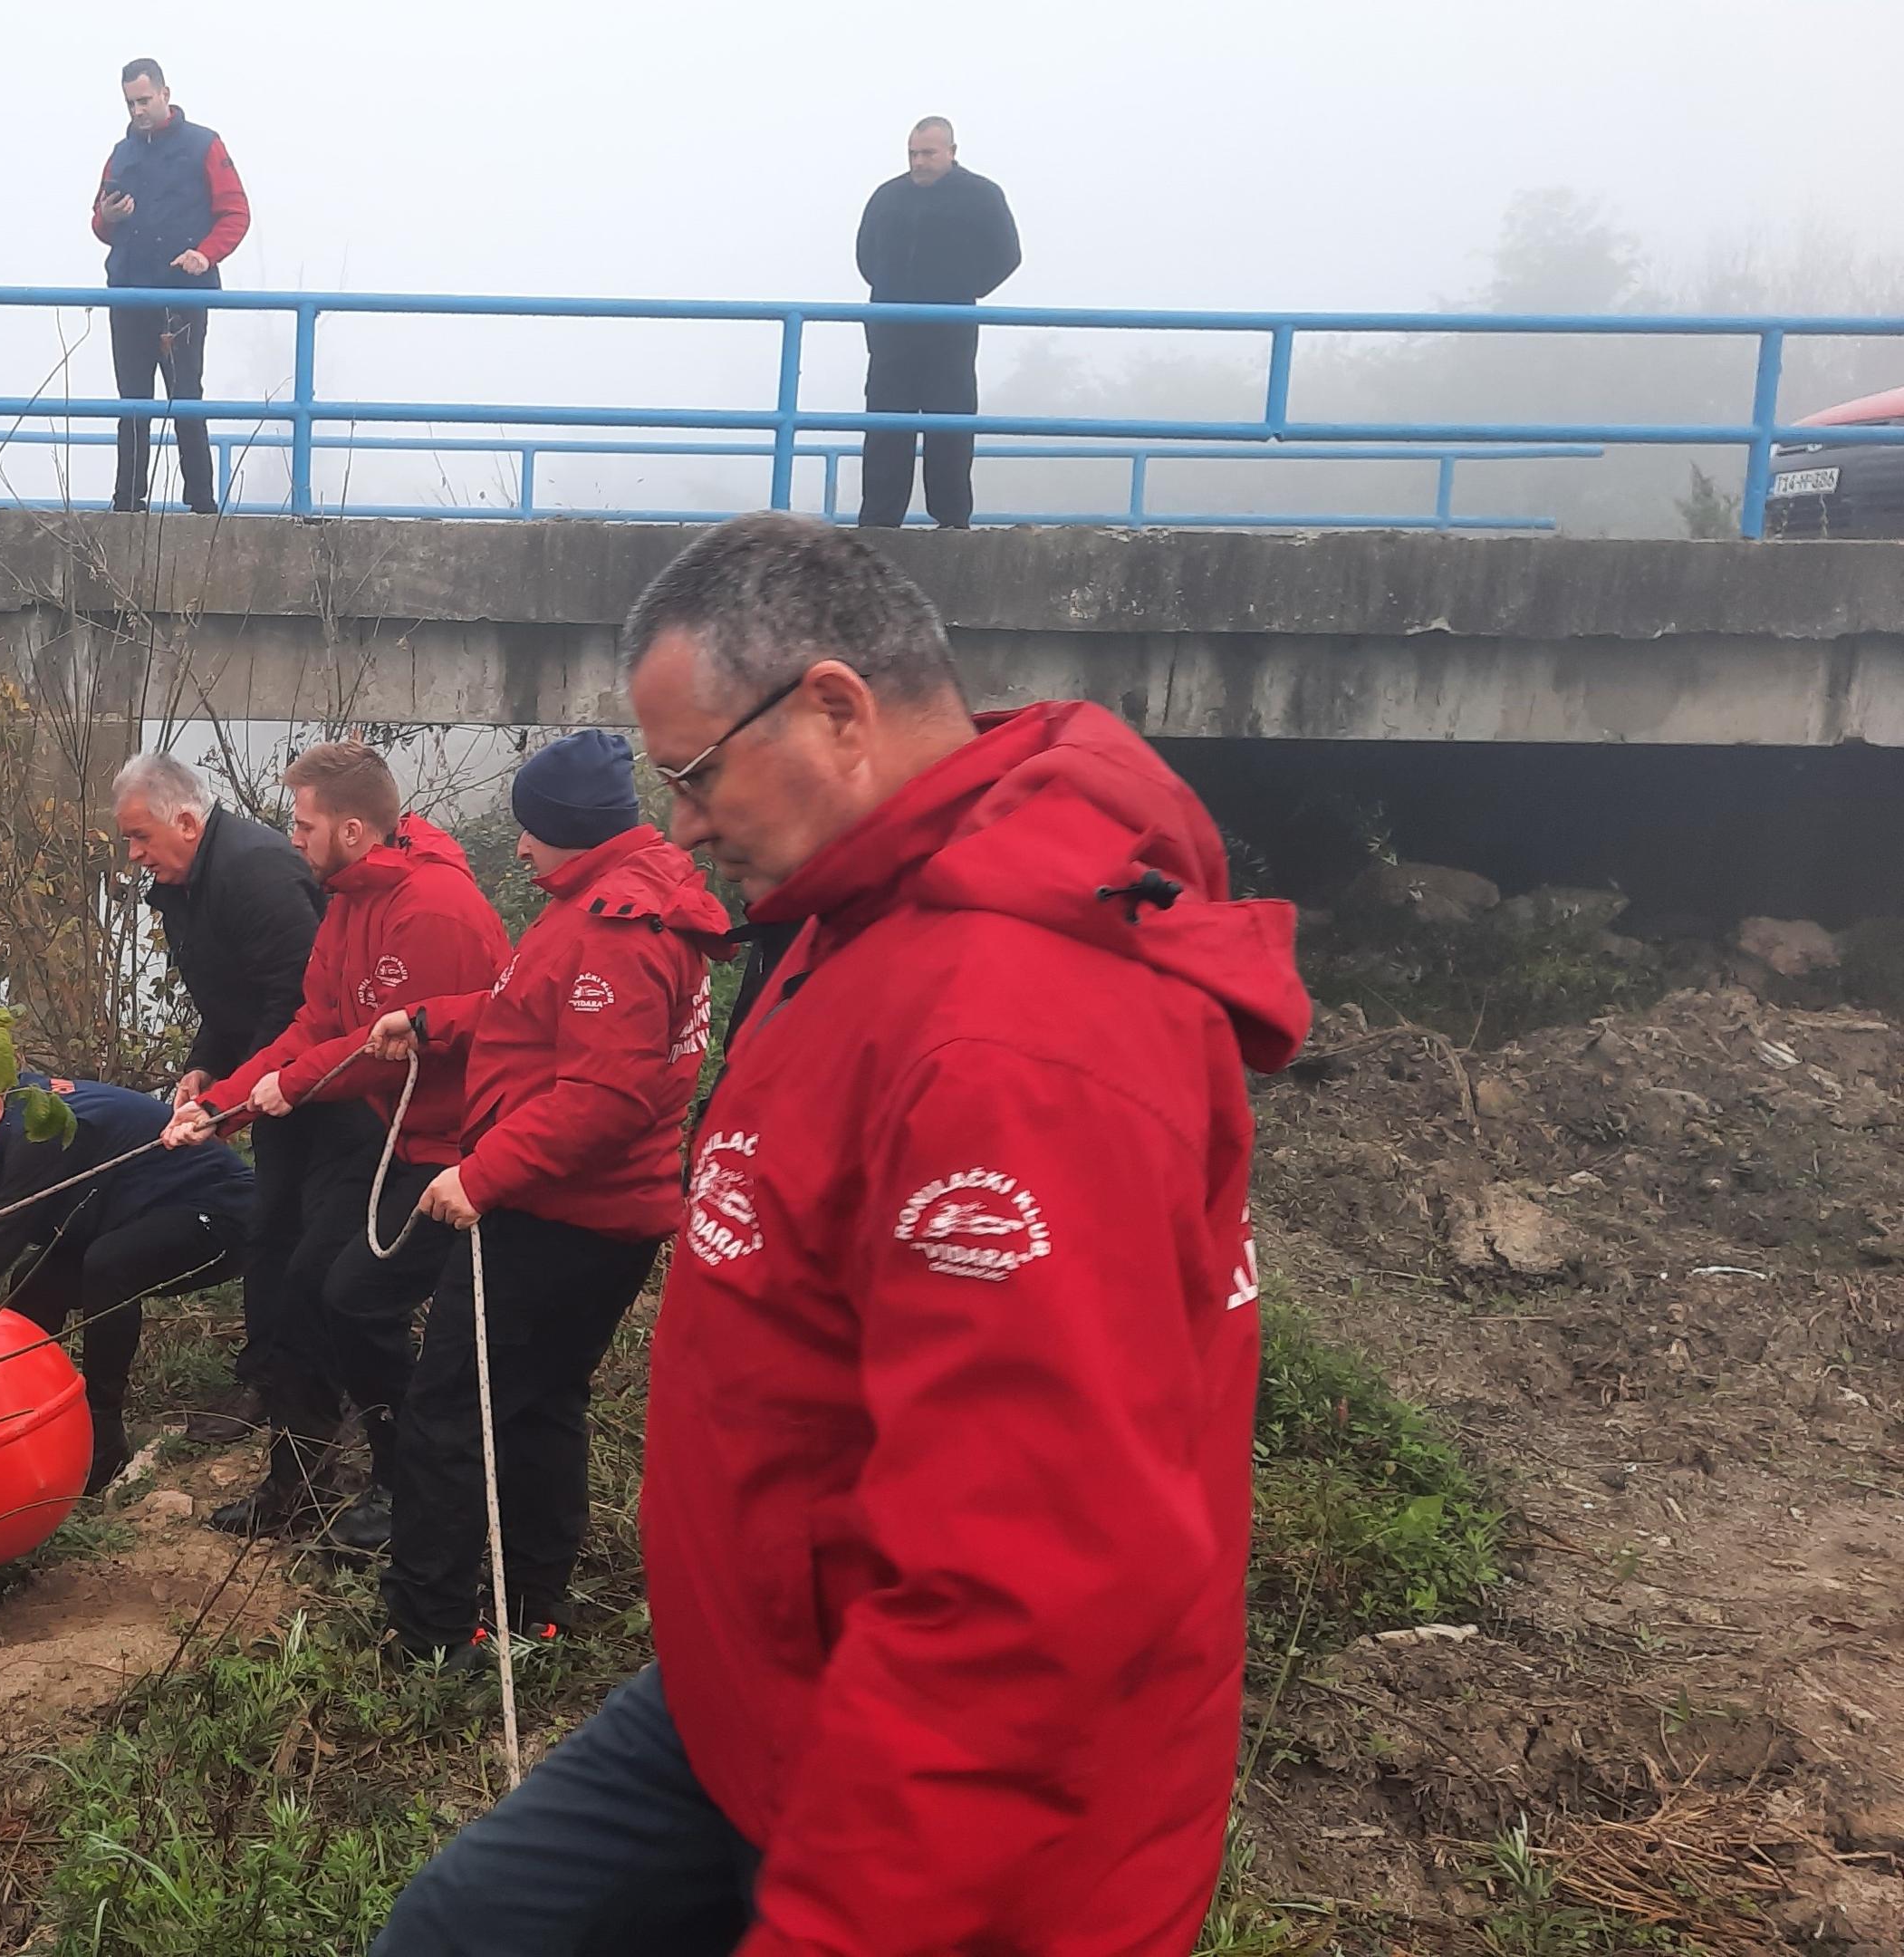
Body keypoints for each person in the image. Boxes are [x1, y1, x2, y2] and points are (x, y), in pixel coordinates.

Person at [371, 514, 1307, 1955]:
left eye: (692, 773)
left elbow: (1030, 1589)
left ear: (834, 709)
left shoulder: (1015, 1039)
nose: (677, 819)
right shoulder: (850, 912)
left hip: (954, 1809)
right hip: (758, 1687)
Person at [358, 730, 729, 1664]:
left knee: (448, 1412)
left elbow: (605, 1097)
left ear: (572, 831)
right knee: (540, 1403)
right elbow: (537, 1007)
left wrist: (483, 1174)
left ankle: (431, 1631)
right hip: (603, 1215)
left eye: (532, 832)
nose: (517, 848)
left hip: (561, 1218)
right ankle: (530, 1605)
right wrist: (434, 1018)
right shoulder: (615, 904)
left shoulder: (615, 933)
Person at [166, 743, 507, 1551]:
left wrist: (288, 1089)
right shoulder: (350, 898)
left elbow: (385, 1047)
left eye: (302, 823)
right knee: (305, 1289)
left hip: (458, 1147)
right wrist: (220, 1105)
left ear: (352, 829)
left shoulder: (432, 911)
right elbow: (316, 1024)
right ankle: (309, 1477)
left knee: (351, 1297)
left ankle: (404, 1479)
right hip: (398, 1134)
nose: (292, 837)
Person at [115, 752, 370, 1440]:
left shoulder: (255, 873)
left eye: (140, 837)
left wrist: (227, 1104)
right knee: (272, 1232)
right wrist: (204, 1068)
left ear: (188, 821)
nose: (134, 854)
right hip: (268, 1084)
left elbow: (297, 1005)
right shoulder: (187, 884)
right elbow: (231, 1000)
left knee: (320, 1242)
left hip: (331, 1086)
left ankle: (337, 1397)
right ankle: (269, 1382)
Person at [0, 1075, 252, 1493]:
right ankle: (34, 1419)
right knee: (34, 1284)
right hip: (135, 1213)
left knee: (110, 1266)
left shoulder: (38, 1130)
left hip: (222, 1213)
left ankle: (102, 1431)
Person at [90, 58, 250, 515]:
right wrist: (109, 218)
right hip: (128, 293)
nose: (137, 110)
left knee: (186, 398)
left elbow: (236, 212)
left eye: (143, 100)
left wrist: (205, 254)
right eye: (129, 102)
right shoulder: (120, 153)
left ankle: (201, 504)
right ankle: (127, 505)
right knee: (132, 402)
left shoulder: (204, 145)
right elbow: (99, 222)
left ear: (165, 93)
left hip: (182, 295)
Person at [852, 116, 1019, 530]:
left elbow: (1007, 255)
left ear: (952, 151)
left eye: (928, 153)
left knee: (951, 428)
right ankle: (878, 524)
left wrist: (963, 290)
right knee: (886, 429)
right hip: (890, 334)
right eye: (913, 153)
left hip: (950, 332)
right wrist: (893, 295)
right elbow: (865, 256)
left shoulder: (982, 196)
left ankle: (952, 522)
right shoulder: (887, 197)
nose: (919, 162)